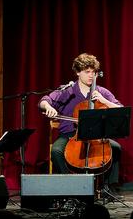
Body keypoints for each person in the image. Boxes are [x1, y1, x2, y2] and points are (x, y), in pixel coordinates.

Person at [39, 53, 123, 187]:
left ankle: (108, 186)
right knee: (56, 151)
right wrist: (48, 107)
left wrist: (103, 100)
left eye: (93, 72)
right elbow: (44, 101)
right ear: (78, 72)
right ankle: (71, 185)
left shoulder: (102, 92)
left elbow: (120, 109)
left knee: (116, 148)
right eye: (87, 71)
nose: (91, 75)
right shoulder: (68, 91)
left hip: (96, 137)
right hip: (70, 136)